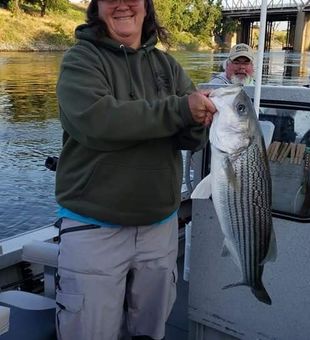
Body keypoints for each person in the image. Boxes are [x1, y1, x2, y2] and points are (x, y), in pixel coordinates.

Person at [54, 0, 216, 339]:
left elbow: (190, 138)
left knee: (151, 332)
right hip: (93, 230)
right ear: (97, 7)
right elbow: (99, 122)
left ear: (147, 7)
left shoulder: (167, 66)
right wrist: (181, 110)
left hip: (160, 230)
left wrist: (200, 119)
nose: (123, 4)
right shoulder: (80, 60)